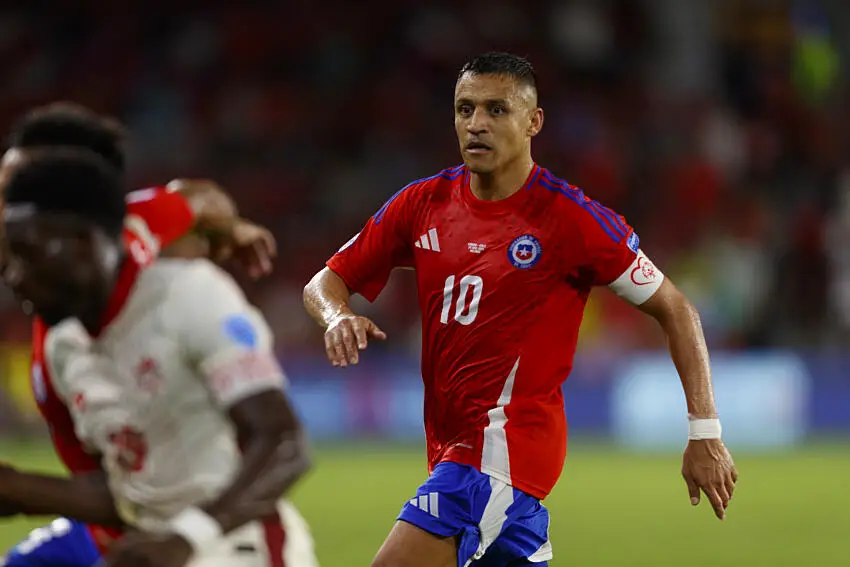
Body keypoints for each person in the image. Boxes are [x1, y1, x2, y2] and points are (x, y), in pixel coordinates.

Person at [303, 52, 738, 567]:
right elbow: (325, 282)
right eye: (465, 109)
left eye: (496, 110)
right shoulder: (423, 205)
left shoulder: (571, 219)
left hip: (498, 458)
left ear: (534, 122)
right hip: (458, 456)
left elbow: (678, 309)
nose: (476, 124)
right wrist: (337, 316)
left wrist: (705, 433)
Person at [0, 149, 314, 567]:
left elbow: (284, 442)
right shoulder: (64, 346)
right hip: (146, 538)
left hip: (232, 543)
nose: (13, 276)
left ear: (80, 242)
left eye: (27, 253)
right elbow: (131, 489)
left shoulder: (185, 292)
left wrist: (232, 228)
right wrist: (16, 488)